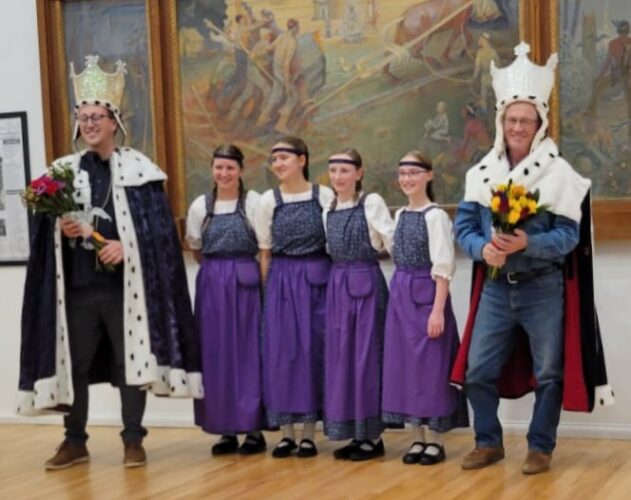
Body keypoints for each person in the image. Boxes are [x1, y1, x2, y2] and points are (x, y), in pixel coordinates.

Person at [17, 55, 202, 470]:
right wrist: (57, 228)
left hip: (123, 290)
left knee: (128, 362)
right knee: (75, 364)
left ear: (114, 121)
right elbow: (41, 234)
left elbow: (160, 238)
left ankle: (133, 439)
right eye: (83, 117)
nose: (89, 124)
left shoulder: (140, 172)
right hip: (78, 291)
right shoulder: (61, 173)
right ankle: (75, 441)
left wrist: (126, 248)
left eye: (96, 117)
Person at [452, 43, 613, 475]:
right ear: (501, 122)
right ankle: (488, 442)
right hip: (495, 290)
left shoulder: (559, 175)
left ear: (539, 124)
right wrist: (481, 249)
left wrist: (527, 243)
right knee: (478, 371)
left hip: (543, 288)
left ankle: (540, 447)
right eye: (511, 119)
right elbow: (463, 227)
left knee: (549, 373)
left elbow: (568, 237)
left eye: (526, 120)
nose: (518, 127)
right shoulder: (480, 174)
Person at [382, 151, 468, 466]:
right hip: (401, 297)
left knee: (431, 368)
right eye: (403, 173)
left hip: (426, 296)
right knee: (406, 367)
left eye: (414, 173)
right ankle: (416, 437)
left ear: (428, 176)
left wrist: (437, 310)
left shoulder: (436, 217)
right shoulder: (400, 216)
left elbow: (443, 267)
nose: (407, 179)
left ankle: (435, 440)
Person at [254, 136, 334, 458]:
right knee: (281, 353)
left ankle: (309, 434)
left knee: (312, 352)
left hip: (316, 279)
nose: (278, 164)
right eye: (274, 159)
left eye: (284, 157)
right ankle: (286, 433)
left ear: (302, 160)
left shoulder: (323, 196)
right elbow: (265, 253)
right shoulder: (268, 201)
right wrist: (268, 292)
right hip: (282, 281)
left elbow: (333, 243)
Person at [186, 145, 266, 456]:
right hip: (212, 286)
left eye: (230, 168)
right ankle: (225, 429)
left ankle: (254, 430)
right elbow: (196, 249)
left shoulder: (253, 203)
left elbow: (264, 247)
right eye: (219, 167)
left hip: (246, 284)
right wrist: (218, 272)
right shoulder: (201, 206)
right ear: (212, 169)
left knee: (248, 353)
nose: (224, 173)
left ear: (241, 170)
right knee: (215, 354)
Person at [322, 148, 394, 461]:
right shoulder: (329, 208)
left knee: (367, 357)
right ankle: (354, 432)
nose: (338, 177)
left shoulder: (371, 203)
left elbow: (392, 241)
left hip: (366, 285)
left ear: (359, 173)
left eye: (345, 171)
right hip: (338, 286)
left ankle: (372, 435)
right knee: (343, 358)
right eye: (334, 171)